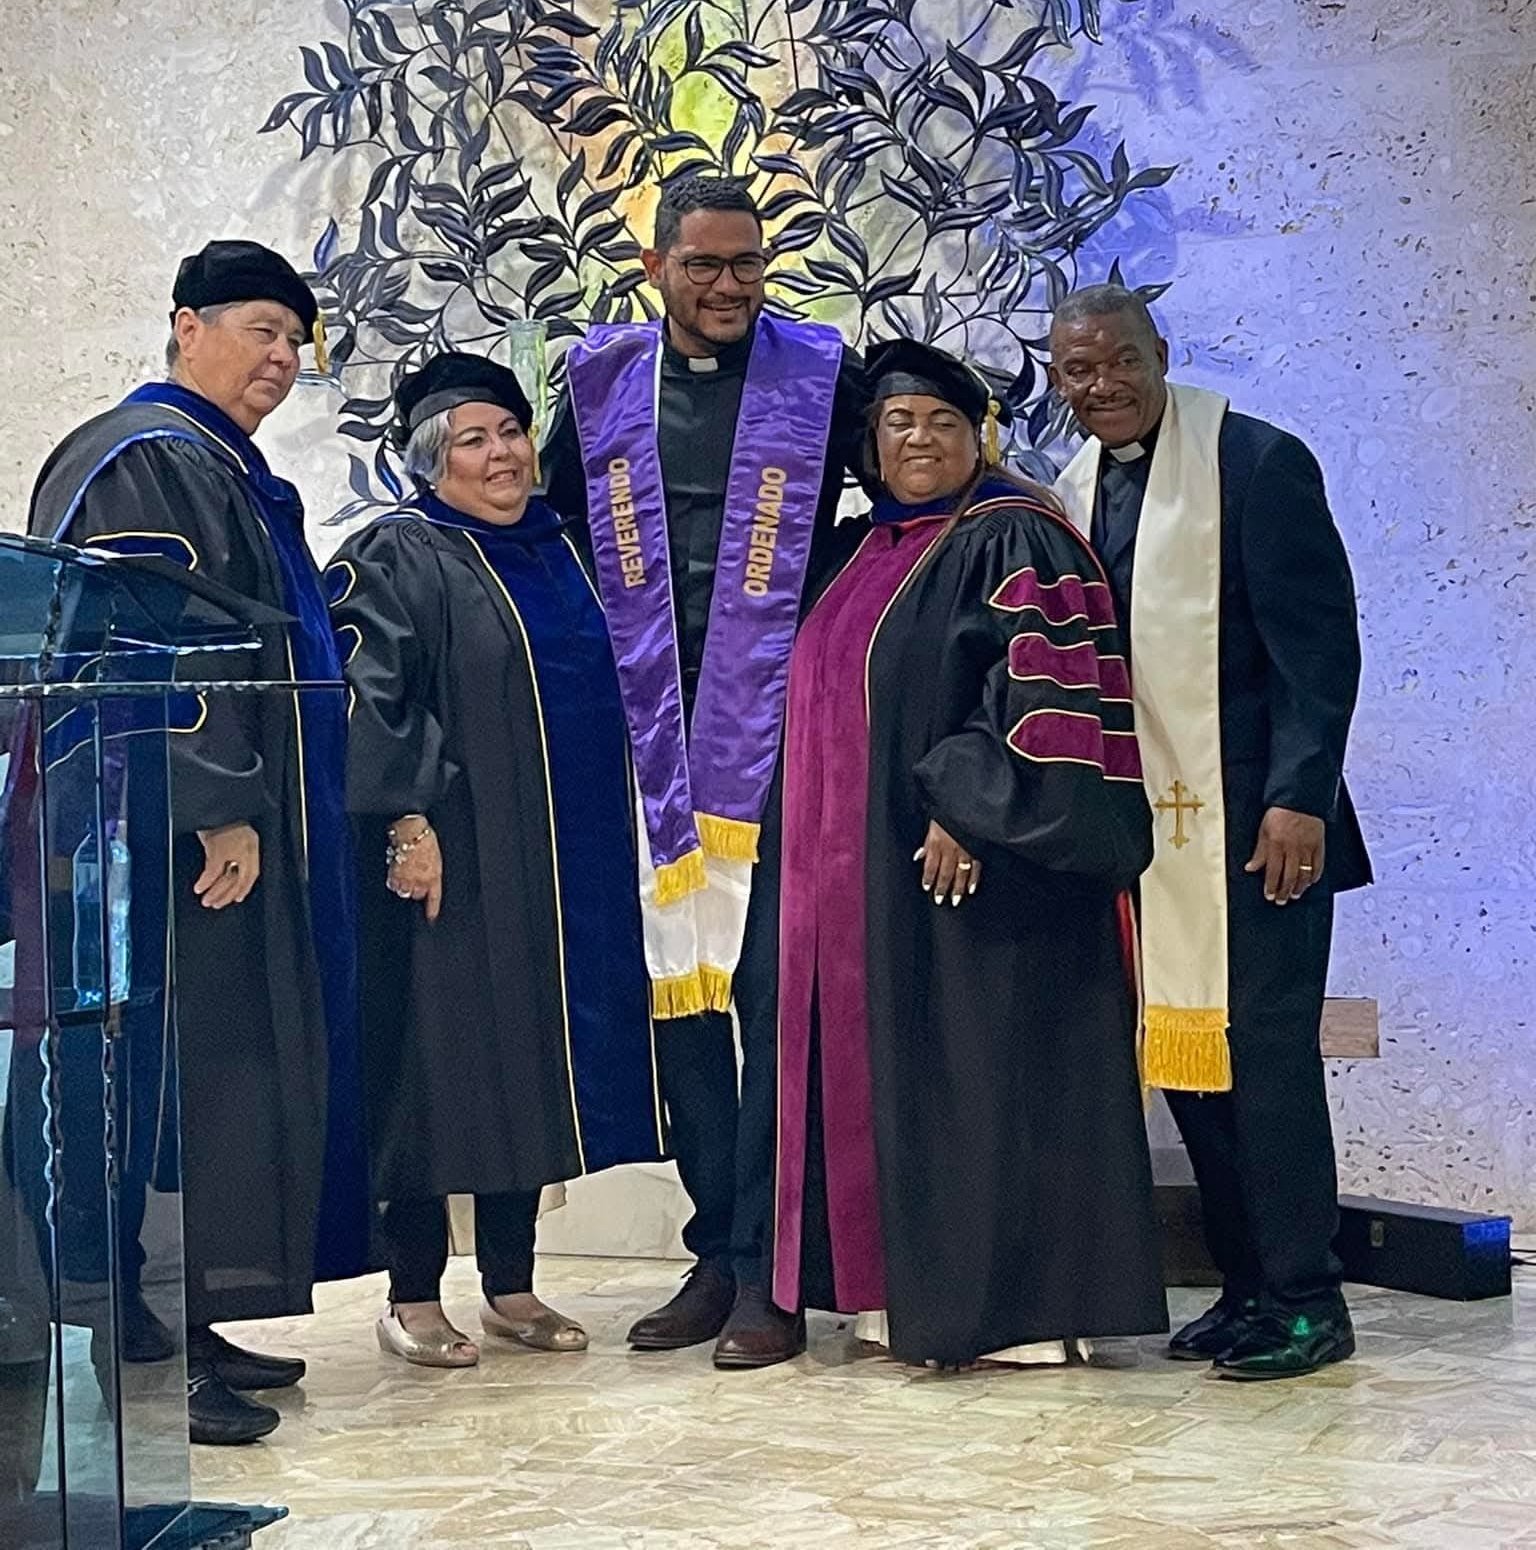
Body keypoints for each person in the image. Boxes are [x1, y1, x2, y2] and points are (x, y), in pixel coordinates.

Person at [28, 239, 370, 1445]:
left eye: (295, 340)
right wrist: (217, 797)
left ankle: (184, 1319)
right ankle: (139, 1345)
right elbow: (146, 643)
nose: (281, 357)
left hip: (199, 834)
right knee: (174, 1083)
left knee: (215, 1079)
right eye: (260, 329)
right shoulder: (146, 457)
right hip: (161, 838)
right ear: (187, 327)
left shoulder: (212, 458)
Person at [771, 337, 1166, 1368]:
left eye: (943, 421)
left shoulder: (1014, 535)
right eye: (898, 422)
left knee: (988, 1075)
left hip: (987, 876)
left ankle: (1017, 1309)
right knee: (909, 1075)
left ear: (979, 436)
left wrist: (970, 807)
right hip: (869, 884)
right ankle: (902, 1290)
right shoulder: (863, 548)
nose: (919, 439)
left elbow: (1047, 693)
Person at [542, 174, 869, 1369]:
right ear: (656, 269)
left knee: (775, 999)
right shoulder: (598, 383)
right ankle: (716, 1250)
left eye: (747, 263)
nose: (730, 286)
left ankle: (776, 1268)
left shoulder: (820, 374)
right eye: (704, 265)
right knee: (682, 1000)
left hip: (783, 738)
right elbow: (554, 523)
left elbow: (904, 485)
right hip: (649, 741)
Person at [1050, 284, 1371, 1382]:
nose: (1101, 386)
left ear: (1160, 352)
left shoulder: (1257, 462)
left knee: (1266, 1063)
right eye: (1078, 370)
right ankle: (1247, 1287)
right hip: (1149, 835)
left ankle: (1308, 1298)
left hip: (1263, 828)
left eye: (1119, 361)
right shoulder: (1075, 488)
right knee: (1190, 1061)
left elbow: (1318, 648)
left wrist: (1300, 797)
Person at [327, 352, 664, 1367]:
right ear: (434, 460)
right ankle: (412, 1293)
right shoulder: (399, 552)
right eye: (472, 440)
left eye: (511, 431)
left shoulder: (566, 553)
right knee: (434, 1064)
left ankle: (511, 1286)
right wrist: (405, 822)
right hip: (452, 857)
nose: (502, 453)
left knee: (529, 1060)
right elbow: (366, 696)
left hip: (564, 863)